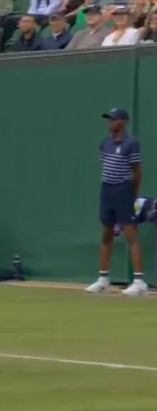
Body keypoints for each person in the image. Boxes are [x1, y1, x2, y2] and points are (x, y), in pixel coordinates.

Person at [86, 108, 146, 296]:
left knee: (130, 236)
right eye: (109, 119)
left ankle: (139, 282)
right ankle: (103, 279)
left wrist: (132, 194)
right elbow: (106, 165)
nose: (110, 122)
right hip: (106, 190)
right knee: (106, 235)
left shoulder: (131, 144)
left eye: (114, 119)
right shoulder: (105, 144)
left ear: (123, 122)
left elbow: (137, 173)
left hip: (123, 191)